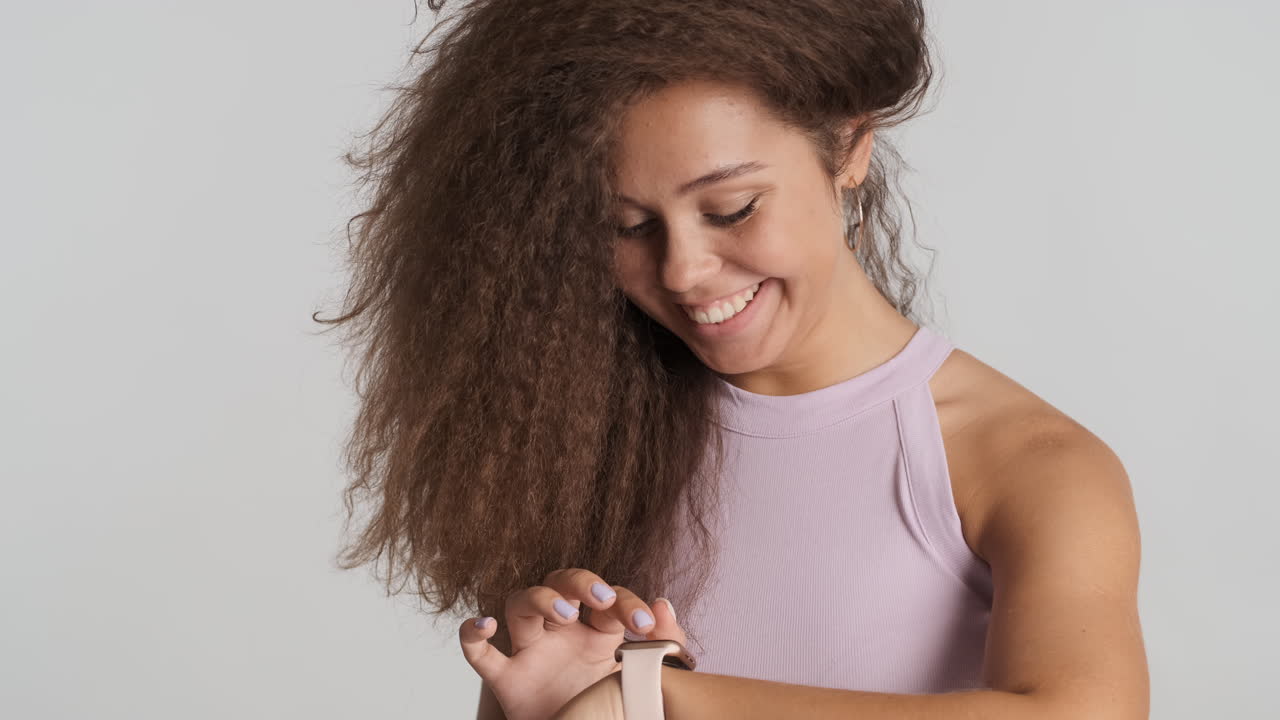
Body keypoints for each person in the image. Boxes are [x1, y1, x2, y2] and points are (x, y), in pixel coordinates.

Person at [314, 1, 1149, 718]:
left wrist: (658, 696)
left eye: (732, 208)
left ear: (849, 143)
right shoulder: (586, 441)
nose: (682, 270)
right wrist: (544, 696)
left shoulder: (1025, 464)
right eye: (628, 226)